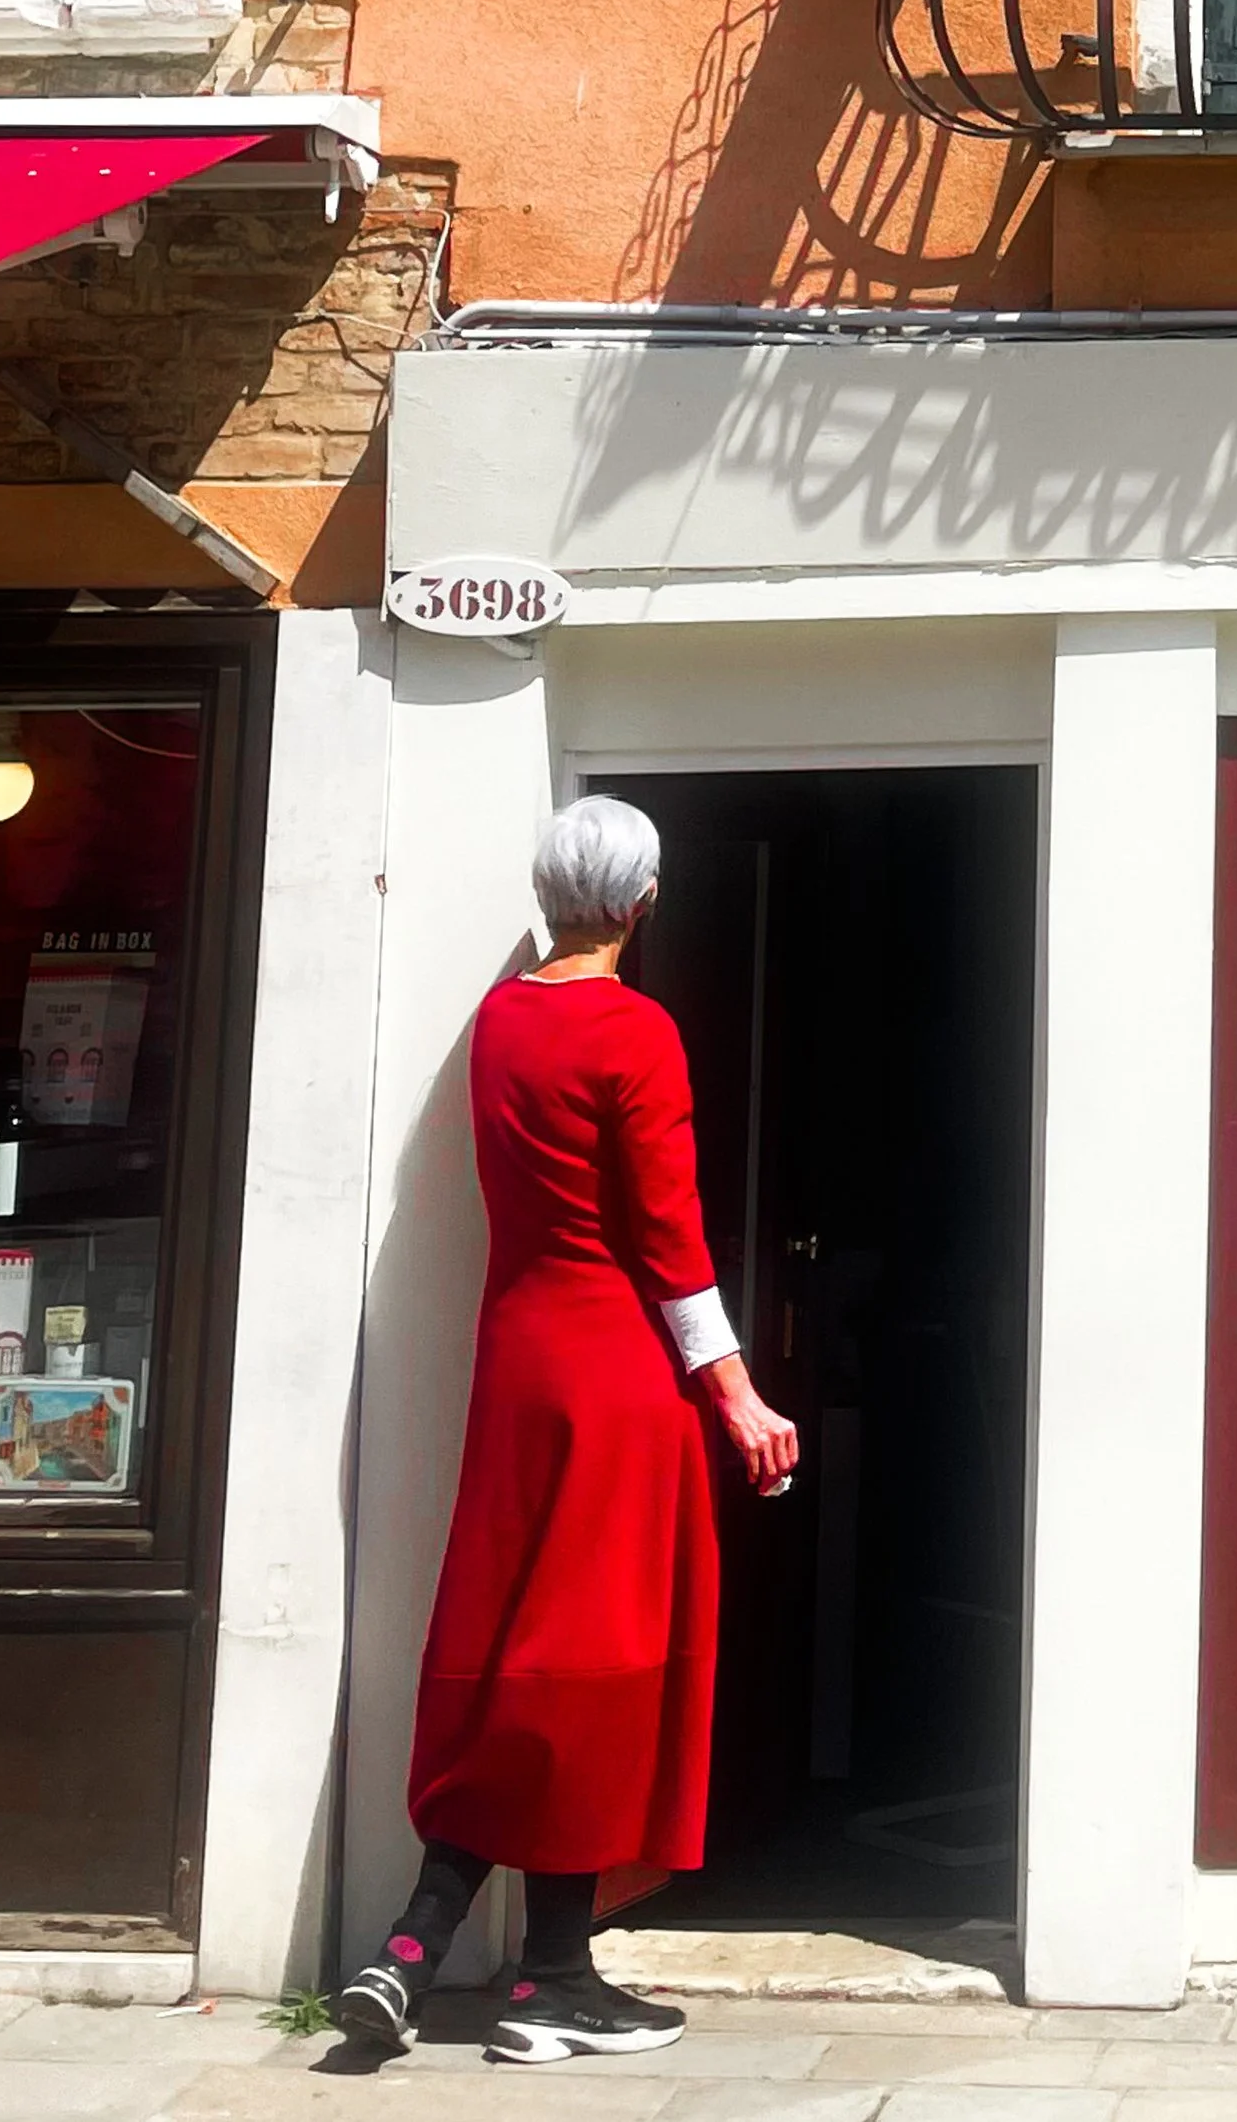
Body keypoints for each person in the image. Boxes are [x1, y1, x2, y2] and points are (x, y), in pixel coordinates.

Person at [339, 795, 798, 2065]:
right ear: (643, 902)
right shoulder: (634, 1030)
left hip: (518, 1360)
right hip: (614, 1373)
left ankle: (448, 1950)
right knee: (597, 1661)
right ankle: (542, 1977)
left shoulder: (499, 1021)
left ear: (545, 898)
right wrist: (735, 1388)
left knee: (522, 1651)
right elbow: (668, 1230)